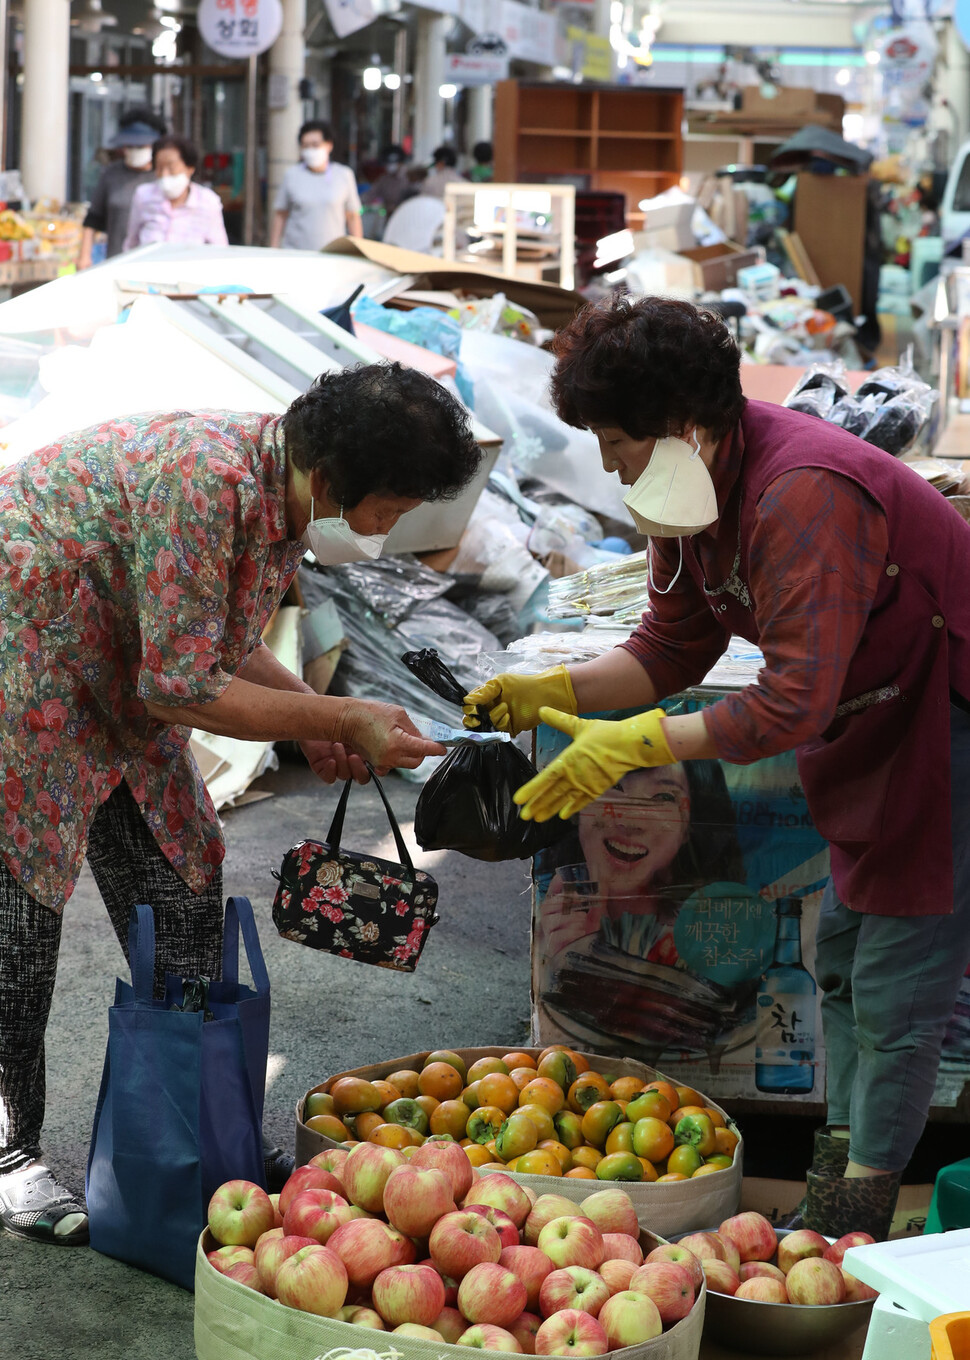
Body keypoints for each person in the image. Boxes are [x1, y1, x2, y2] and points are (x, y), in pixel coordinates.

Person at [465, 293, 970, 1241]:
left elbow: (793, 701)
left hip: (948, 720)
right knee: (845, 966)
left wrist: (645, 741)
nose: (610, 467)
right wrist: (559, 694)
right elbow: (668, 648)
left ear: (686, 428)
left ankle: (852, 1216)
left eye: (617, 443)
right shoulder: (690, 488)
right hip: (876, 722)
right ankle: (842, 1179)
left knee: (899, 984)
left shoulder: (806, 491)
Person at [0, 362, 481, 1246]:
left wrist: (313, 719)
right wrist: (336, 712)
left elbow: (214, 644)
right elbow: (182, 685)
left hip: (120, 667)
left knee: (183, 873)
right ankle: (11, 1154)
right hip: (25, 661)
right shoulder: (204, 483)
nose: (394, 527)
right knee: (20, 924)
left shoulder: (282, 490)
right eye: (394, 506)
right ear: (337, 480)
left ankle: (191, 1127)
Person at [536, 761, 746, 1056]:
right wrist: (557, 963)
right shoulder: (550, 910)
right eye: (614, 786)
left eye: (663, 798)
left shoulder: (714, 935)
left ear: (690, 826)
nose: (629, 820)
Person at [78, 107, 164, 267]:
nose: (134, 151)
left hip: (155, 262)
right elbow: (93, 218)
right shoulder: (111, 175)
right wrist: (84, 256)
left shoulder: (163, 177)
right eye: (130, 146)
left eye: (140, 147)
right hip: (117, 260)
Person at [270, 120, 363, 251]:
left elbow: (353, 216)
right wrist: (273, 248)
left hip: (333, 254)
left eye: (315, 145)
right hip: (296, 253)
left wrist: (359, 250)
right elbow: (280, 214)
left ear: (329, 145)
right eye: (305, 146)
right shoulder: (292, 175)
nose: (310, 150)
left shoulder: (344, 175)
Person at [124, 134, 227, 250]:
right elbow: (131, 243)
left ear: (190, 168)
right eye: (159, 168)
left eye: (171, 168)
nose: (164, 174)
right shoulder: (143, 196)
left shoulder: (208, 202)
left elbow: (220, 248)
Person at [363, 145, 418, 222]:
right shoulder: (384, 179)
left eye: (393, 163)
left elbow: (417, 199)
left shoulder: (410, 177)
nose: (390, 166)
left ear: (401, 163)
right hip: (390, 218)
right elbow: (371, 194)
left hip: (408, 217)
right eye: (388, 164)